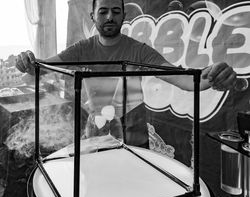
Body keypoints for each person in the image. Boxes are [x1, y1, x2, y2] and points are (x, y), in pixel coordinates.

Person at [15, 0, 237, 148]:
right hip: (96, 133)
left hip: (134, 137)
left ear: (124, 15)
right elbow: (41, 68)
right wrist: (27, 61)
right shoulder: (82, 49)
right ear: (93, 16)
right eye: (103, 11)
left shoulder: (138, 50)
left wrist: (214, 75)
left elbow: (187, 81)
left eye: (115, 11)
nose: (110, 17)